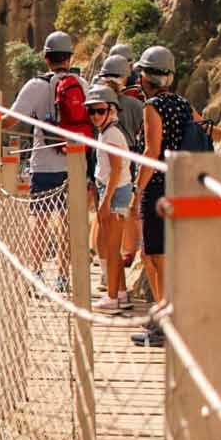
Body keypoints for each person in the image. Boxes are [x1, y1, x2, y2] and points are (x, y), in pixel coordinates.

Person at [128, 46, 221, 346]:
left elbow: (151, 151)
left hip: (157, 187)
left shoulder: (152, 107)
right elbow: (214, 134)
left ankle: (164, 324)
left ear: (145, 77)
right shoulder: (182, 104)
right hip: (182, 185)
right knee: (164, 256)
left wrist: (136, 191)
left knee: (154, 257)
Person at [3, 30, 90, 290]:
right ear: (70, 57)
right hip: (75, 163)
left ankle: (37, 274)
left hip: (43, 164)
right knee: (67, 221)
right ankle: (63, 278)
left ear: (45, 57)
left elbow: (9, 120)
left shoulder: (35, 86)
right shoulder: (82, 85)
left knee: (39, 220)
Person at [96, 54, 145, 277]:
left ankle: (108, 274)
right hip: (130, 160)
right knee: (126, 213)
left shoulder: (98, 101)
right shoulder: (135, 104)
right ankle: (129, 253)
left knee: (103, 218)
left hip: (103, 162)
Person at [85, 86, 132, 311]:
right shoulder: (107, 131)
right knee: (112, 246)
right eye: (91, 111)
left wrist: (105, 202)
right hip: (112, 190)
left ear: (111, 110)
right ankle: (121, 293)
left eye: (100, 111)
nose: (95, 116)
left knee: (112, 248)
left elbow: (115, 170)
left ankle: (112, 297)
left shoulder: (111, 134)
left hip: (113, 191)